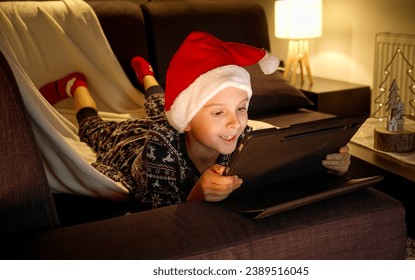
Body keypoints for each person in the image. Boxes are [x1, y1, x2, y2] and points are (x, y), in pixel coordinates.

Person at [38, 31, 351, 209]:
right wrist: (198, 194)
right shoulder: (158, 148)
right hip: (131, 143)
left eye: (241, 108)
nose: (235, 123)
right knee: (94, 128)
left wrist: (324, 162)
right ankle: (76, 87)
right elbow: (158, 213)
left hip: (173, 119)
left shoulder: (243, 135)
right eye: (218, 112)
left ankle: (147, 76)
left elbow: (279, 168)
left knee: (162, 103)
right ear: (187, 120)